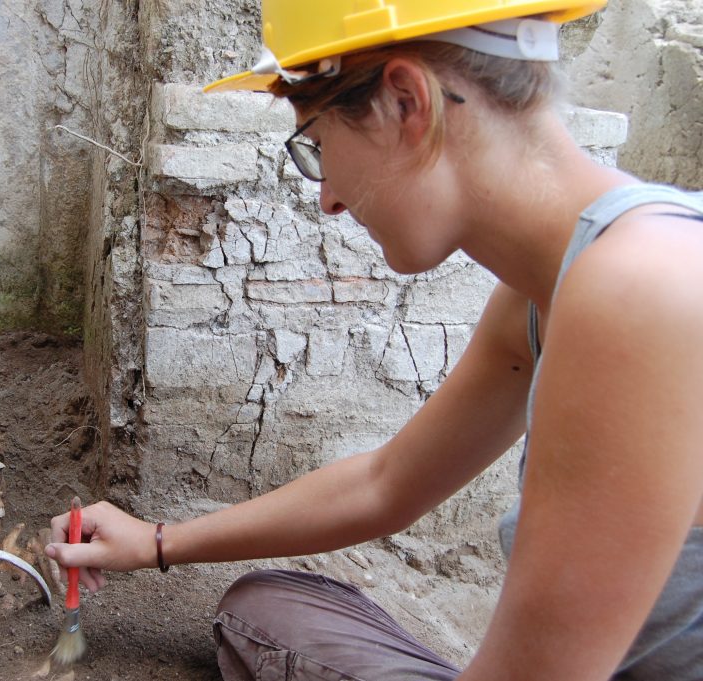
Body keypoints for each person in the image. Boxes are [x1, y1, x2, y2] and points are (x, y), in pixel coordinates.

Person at [46, 1, 703, 678]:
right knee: (268, 609)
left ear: (405, 101)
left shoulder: (639, 291)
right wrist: (156, 542)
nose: (327, 196)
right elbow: (387, 483)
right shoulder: (547, 290)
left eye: (318, 145)